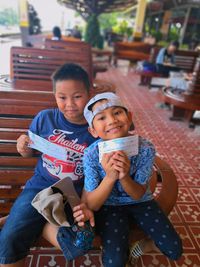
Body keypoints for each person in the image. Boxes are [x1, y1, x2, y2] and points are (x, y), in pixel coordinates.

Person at [0, 63, 97, 266]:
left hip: (76, 195)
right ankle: (30, 214)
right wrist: (24, 148)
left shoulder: (97, 127)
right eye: (62, 97)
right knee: (9, 239)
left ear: (90, 93)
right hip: (39, 187)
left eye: (77, 96)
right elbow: (30, 152)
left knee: (80, 243)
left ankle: (38, 219)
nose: (69, 104)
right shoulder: (45, 119)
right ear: (54, 95)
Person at [82, 92, 183, 267]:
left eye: (117, 112)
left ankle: (142, 246)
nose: (112, 120)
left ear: (129, 117)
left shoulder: (145, 148)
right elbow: (92, 204)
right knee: (115, 262)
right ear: (93, 130)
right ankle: (115, 251)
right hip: (109, 205)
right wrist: (111, 176)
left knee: (174, 249)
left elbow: (138, 194)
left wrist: (124, 175)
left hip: (140, 201)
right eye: (101, 117)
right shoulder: (91, 155)